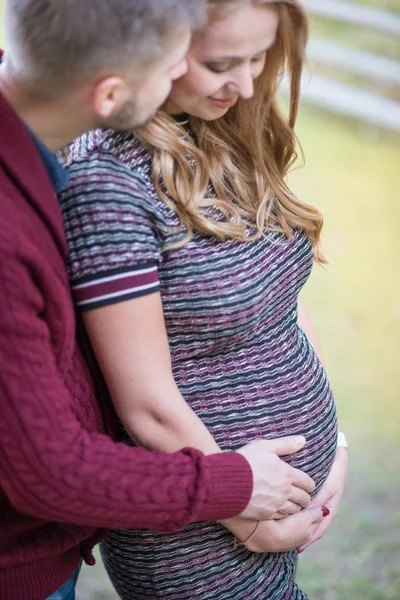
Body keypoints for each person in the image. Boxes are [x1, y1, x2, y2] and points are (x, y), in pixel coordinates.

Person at [0, 2, 319, 600]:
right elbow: (47, 469)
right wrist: (238, 494)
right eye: (180, 60)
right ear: (112, 92)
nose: (243, 85)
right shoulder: (38, 217)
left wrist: (330, 451)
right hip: (41, 568)